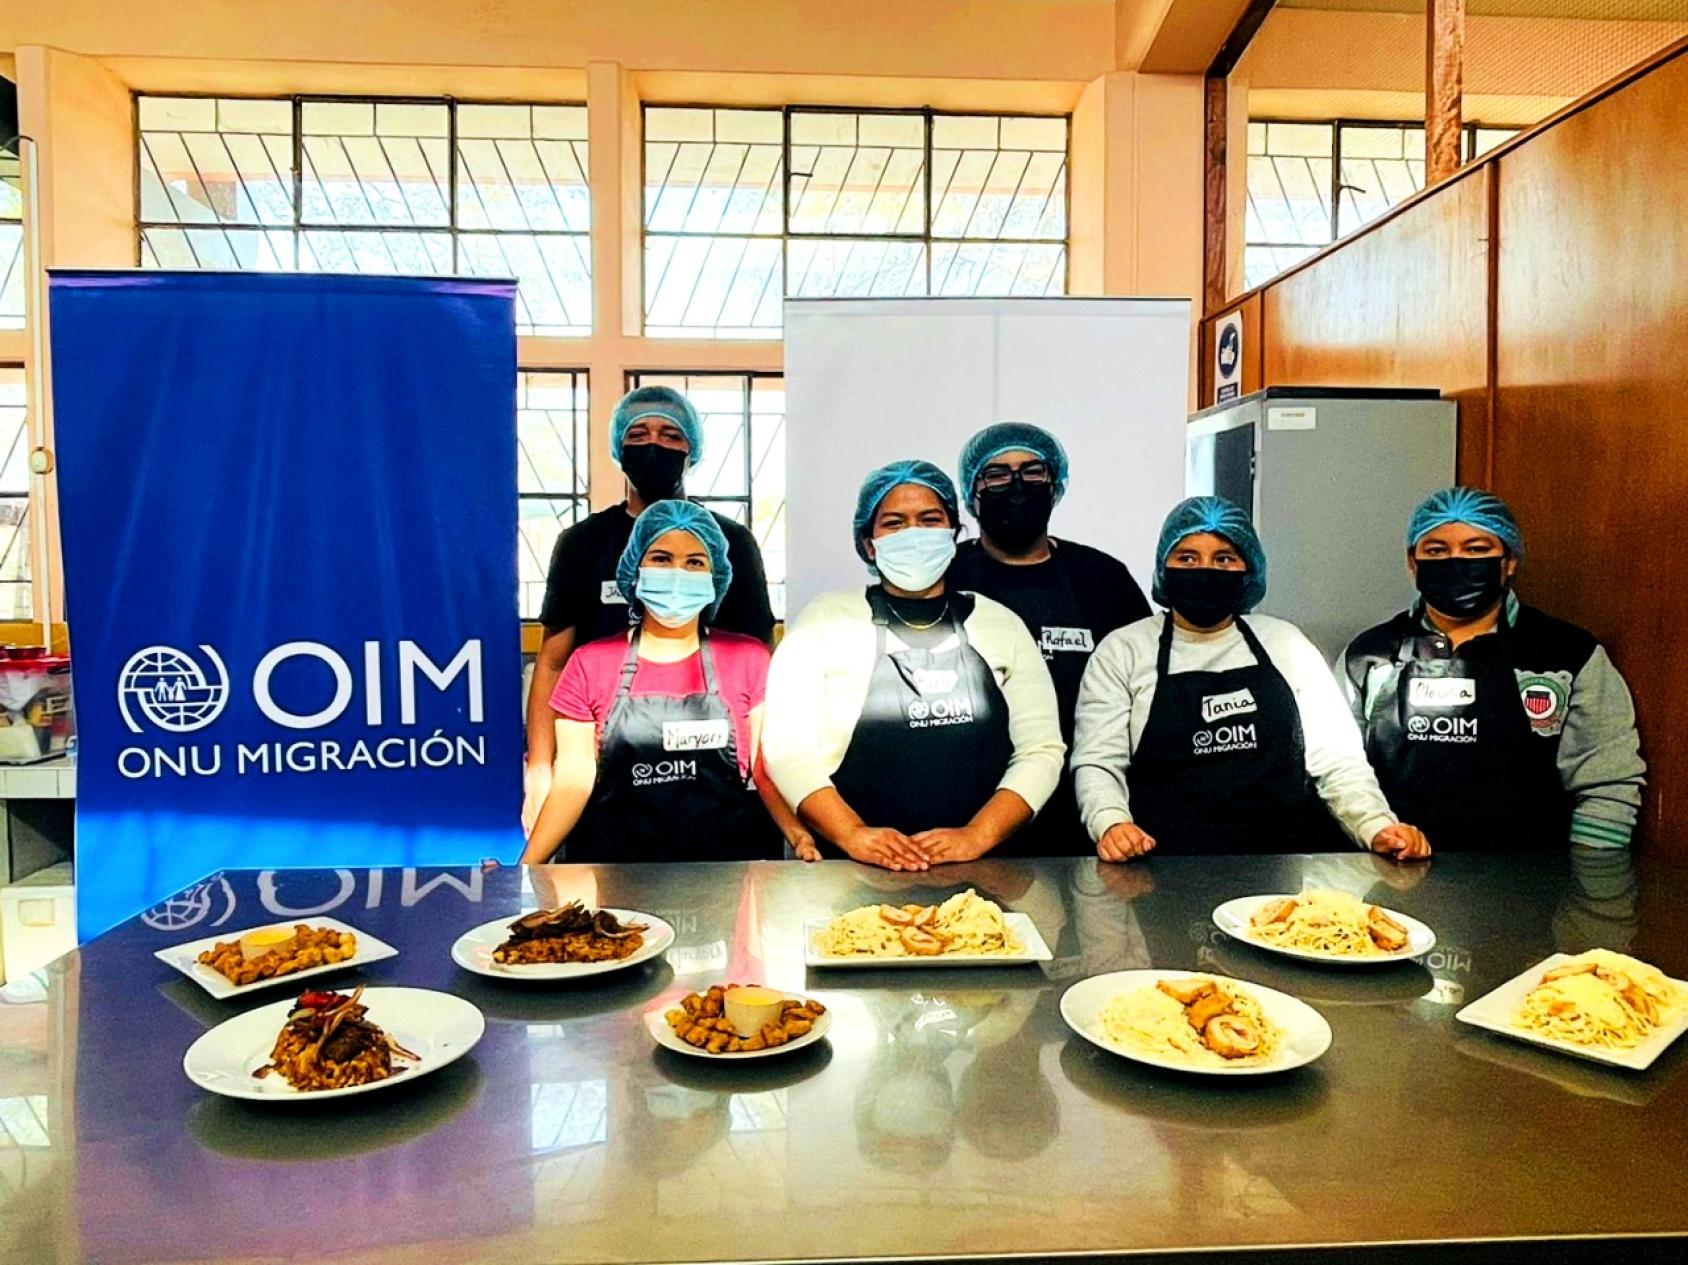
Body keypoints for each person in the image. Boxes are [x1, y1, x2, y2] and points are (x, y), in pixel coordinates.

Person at [1071, 496, 1429, 861]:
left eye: (1224, 558)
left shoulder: (1284, 643)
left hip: (1277, 866)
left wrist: (1375, 825)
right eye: (1187, 558)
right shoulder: (1125, 650)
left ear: (1248, 568)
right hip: (1160, 867)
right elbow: (1098, 761)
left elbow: (1338, 759)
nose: (1205, 570)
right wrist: (1111, 823)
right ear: (1164, 566)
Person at [763, 460, 1064, 871]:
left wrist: (979, 834)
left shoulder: (1000, 624)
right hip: (852, 872)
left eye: (930, 520)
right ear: (869, 543)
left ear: (954, 532)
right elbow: (787, 750)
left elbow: (1042, 750)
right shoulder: (825, 621)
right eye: (894, 523)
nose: (915, 534)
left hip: (987, 871)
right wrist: (851, 833)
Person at [523, 386, 775, 833]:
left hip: (715, 783)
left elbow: (761, 668)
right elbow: (552, 663)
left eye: (670, 435)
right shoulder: (581, 544)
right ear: (618, 447)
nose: (653, 445)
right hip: (604, 777)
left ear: (691, 449)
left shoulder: (731, 542)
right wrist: (542, 767)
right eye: (638, 434)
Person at [1342, 486, 1644, 851]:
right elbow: (1342, 772)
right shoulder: (1369, 656)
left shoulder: (1567, 654)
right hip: (1393, 876)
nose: (1456, 562)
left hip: (1529, 885)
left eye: (1477, 550)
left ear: (1509, 560)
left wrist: (1591, 886)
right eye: (1436, 550)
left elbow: (1607, 783)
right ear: (1412, 561)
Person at [521, 500, 810, 864]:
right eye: (660, 559)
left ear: (714, 576)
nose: (678, 573)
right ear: (635, 571)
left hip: (725, 872)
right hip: (617, 875)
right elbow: (573, 781)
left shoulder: (749, 659)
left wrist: (798, 834)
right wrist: (527, 869)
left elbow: (764, 771)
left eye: (694, 562)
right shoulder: (590, 663)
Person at [948, 422, 1151, 854]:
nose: (1017, 485)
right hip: (969, 814)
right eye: (998, 474)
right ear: (972, 491)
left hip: (1084, 809)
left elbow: (1144, 686)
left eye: (1032, 472)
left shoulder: (1103, 579)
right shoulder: (947, 577)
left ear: (1054, 485)